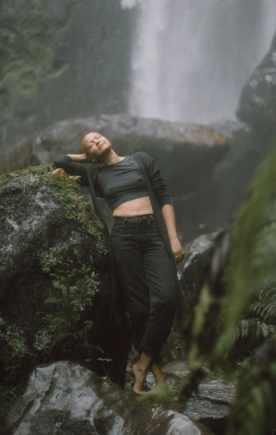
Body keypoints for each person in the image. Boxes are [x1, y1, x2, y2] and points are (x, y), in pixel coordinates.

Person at [52, 132, 183, 395]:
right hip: (123, 238)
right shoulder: (96, 176)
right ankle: (157, 380)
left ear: (108, 138)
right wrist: (85, 158)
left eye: (97, 136)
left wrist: (173, 238)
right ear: (89, 154)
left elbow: (164, 198)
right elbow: (60, 161)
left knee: (167, 298)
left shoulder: (141, 160)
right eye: (89, 142)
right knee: (138, 308)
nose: (96, 140)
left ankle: (141, 364)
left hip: (153, 234)